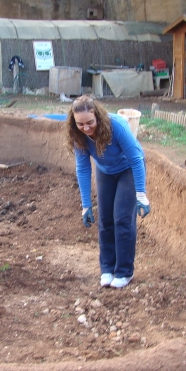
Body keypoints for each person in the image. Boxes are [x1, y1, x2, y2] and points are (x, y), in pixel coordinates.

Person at [66, 95, 151, 289]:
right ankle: (107, 269)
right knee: (104, 219)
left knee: (121, 218)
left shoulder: (116, 126)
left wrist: (141, 194)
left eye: (90, 122)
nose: (86, 128)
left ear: (97, 116)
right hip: (105, 171)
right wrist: (86, 205)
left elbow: (136, 159)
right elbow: (83, 168)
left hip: (128, 169)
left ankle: (124, 271)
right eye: (80, 124)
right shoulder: (78, 135)